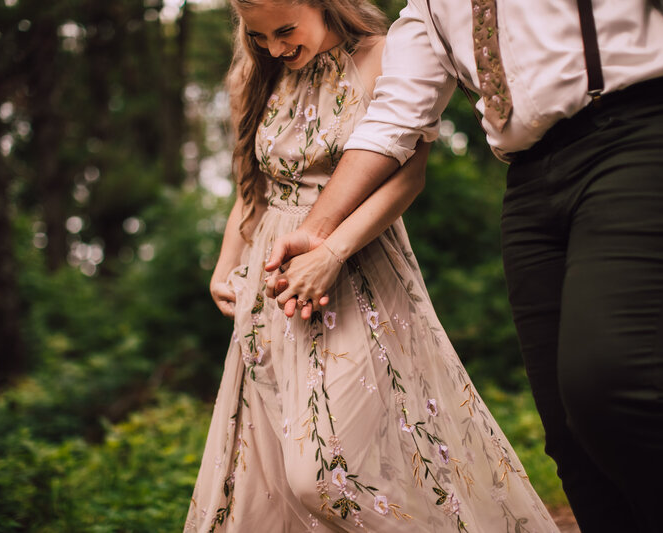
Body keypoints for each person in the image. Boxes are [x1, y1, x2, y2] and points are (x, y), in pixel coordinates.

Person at [264, 1, 663, 532]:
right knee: (570, 437)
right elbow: (394, 119)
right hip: (530, 180)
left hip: (643, 135)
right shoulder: (429, 10)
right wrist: (316, 232)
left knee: (612, 384)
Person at [184, 0, 560, 531]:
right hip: (274, 283)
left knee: (325, 476)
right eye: (260, 35)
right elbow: (253, 191)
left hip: (358, 269)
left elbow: (408, 178)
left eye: (285, 30)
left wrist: (331, 252)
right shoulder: (255, 74)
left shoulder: (384, 56)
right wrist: (226, 267)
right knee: (267, 477)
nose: (274, 48)